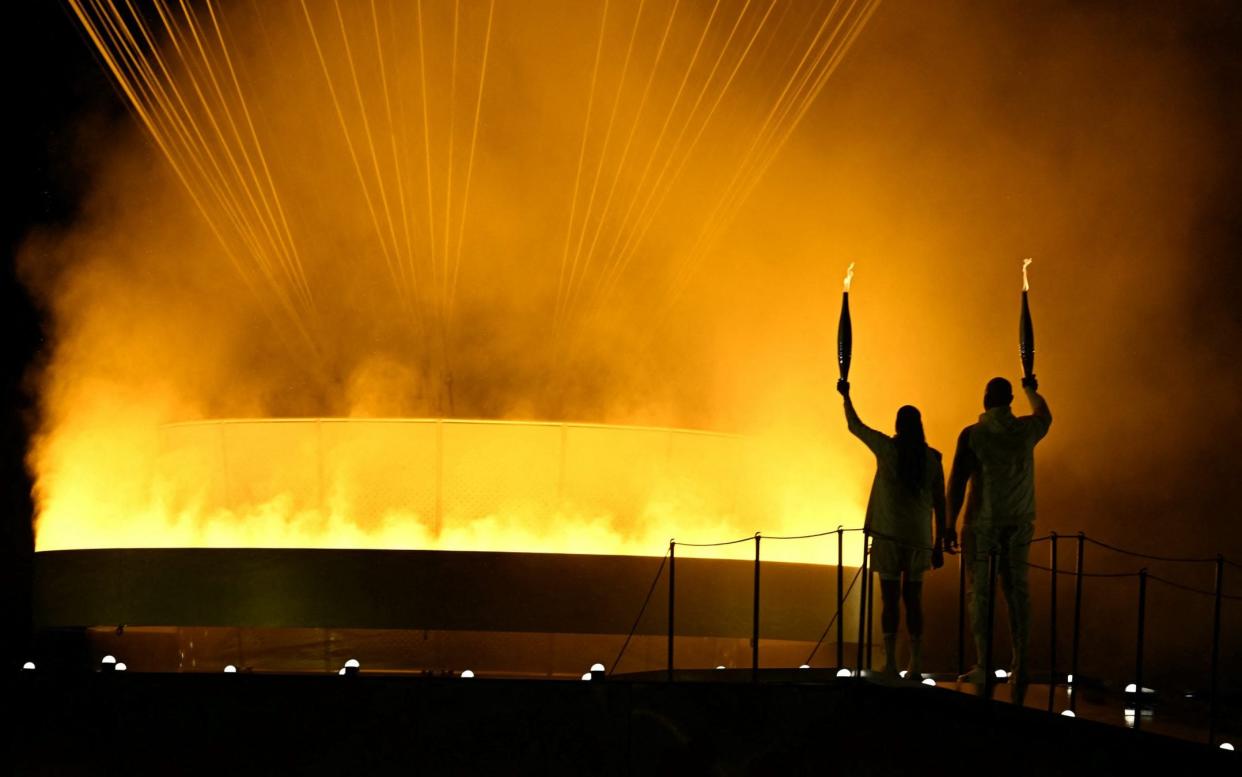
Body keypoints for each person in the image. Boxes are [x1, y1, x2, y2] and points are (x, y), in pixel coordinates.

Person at [945, 376, 1051, 698]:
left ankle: (983, 662)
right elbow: (1046, 414)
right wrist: (1031, 389)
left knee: (980, 594)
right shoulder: (1025, 430)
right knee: (1018, 591)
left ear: (985, 399)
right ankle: (1021, 663)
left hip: (982, 524)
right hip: (1020, 521)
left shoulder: (973, 435)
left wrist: (948, 525)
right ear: (1009, 401)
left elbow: (957, 483)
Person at [838, 379, 946, 678]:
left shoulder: (887, 449)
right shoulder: (932, 459)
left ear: (897, 425)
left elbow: (855, 426)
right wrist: (938, 544)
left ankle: (891, 663)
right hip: (919, 539)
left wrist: (846, 396)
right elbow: (941, 501)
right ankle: (916, 662)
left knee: (889, 600)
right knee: (914, 600)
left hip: (888, 536)